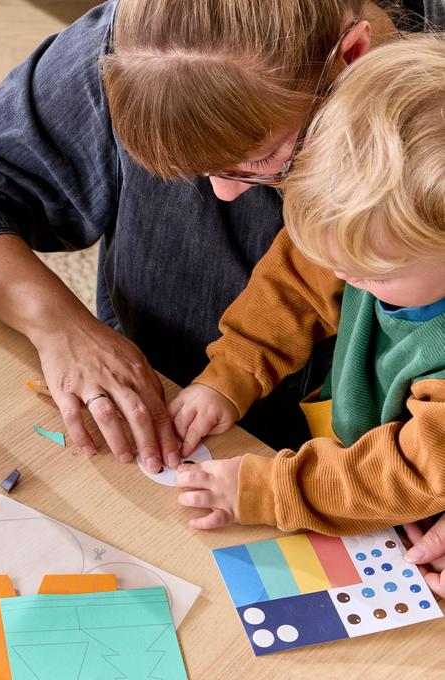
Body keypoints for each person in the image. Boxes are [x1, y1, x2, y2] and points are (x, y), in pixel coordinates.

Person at [0, 0, 441, 474]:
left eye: (260, 160)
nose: (222, 193)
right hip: (188, 400)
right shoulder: (152, 46)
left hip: (399, 464)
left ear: (353, 56)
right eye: (195, 172)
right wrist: (60, 327)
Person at [169, 36, 445, 540]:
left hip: (399, 493)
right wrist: (230, 374)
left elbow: (412, 472)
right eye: (328, 256)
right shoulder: (367, 243)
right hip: (357, 464)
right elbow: (292, 287)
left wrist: (271, 491)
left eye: (372, 274)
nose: (340, 277)